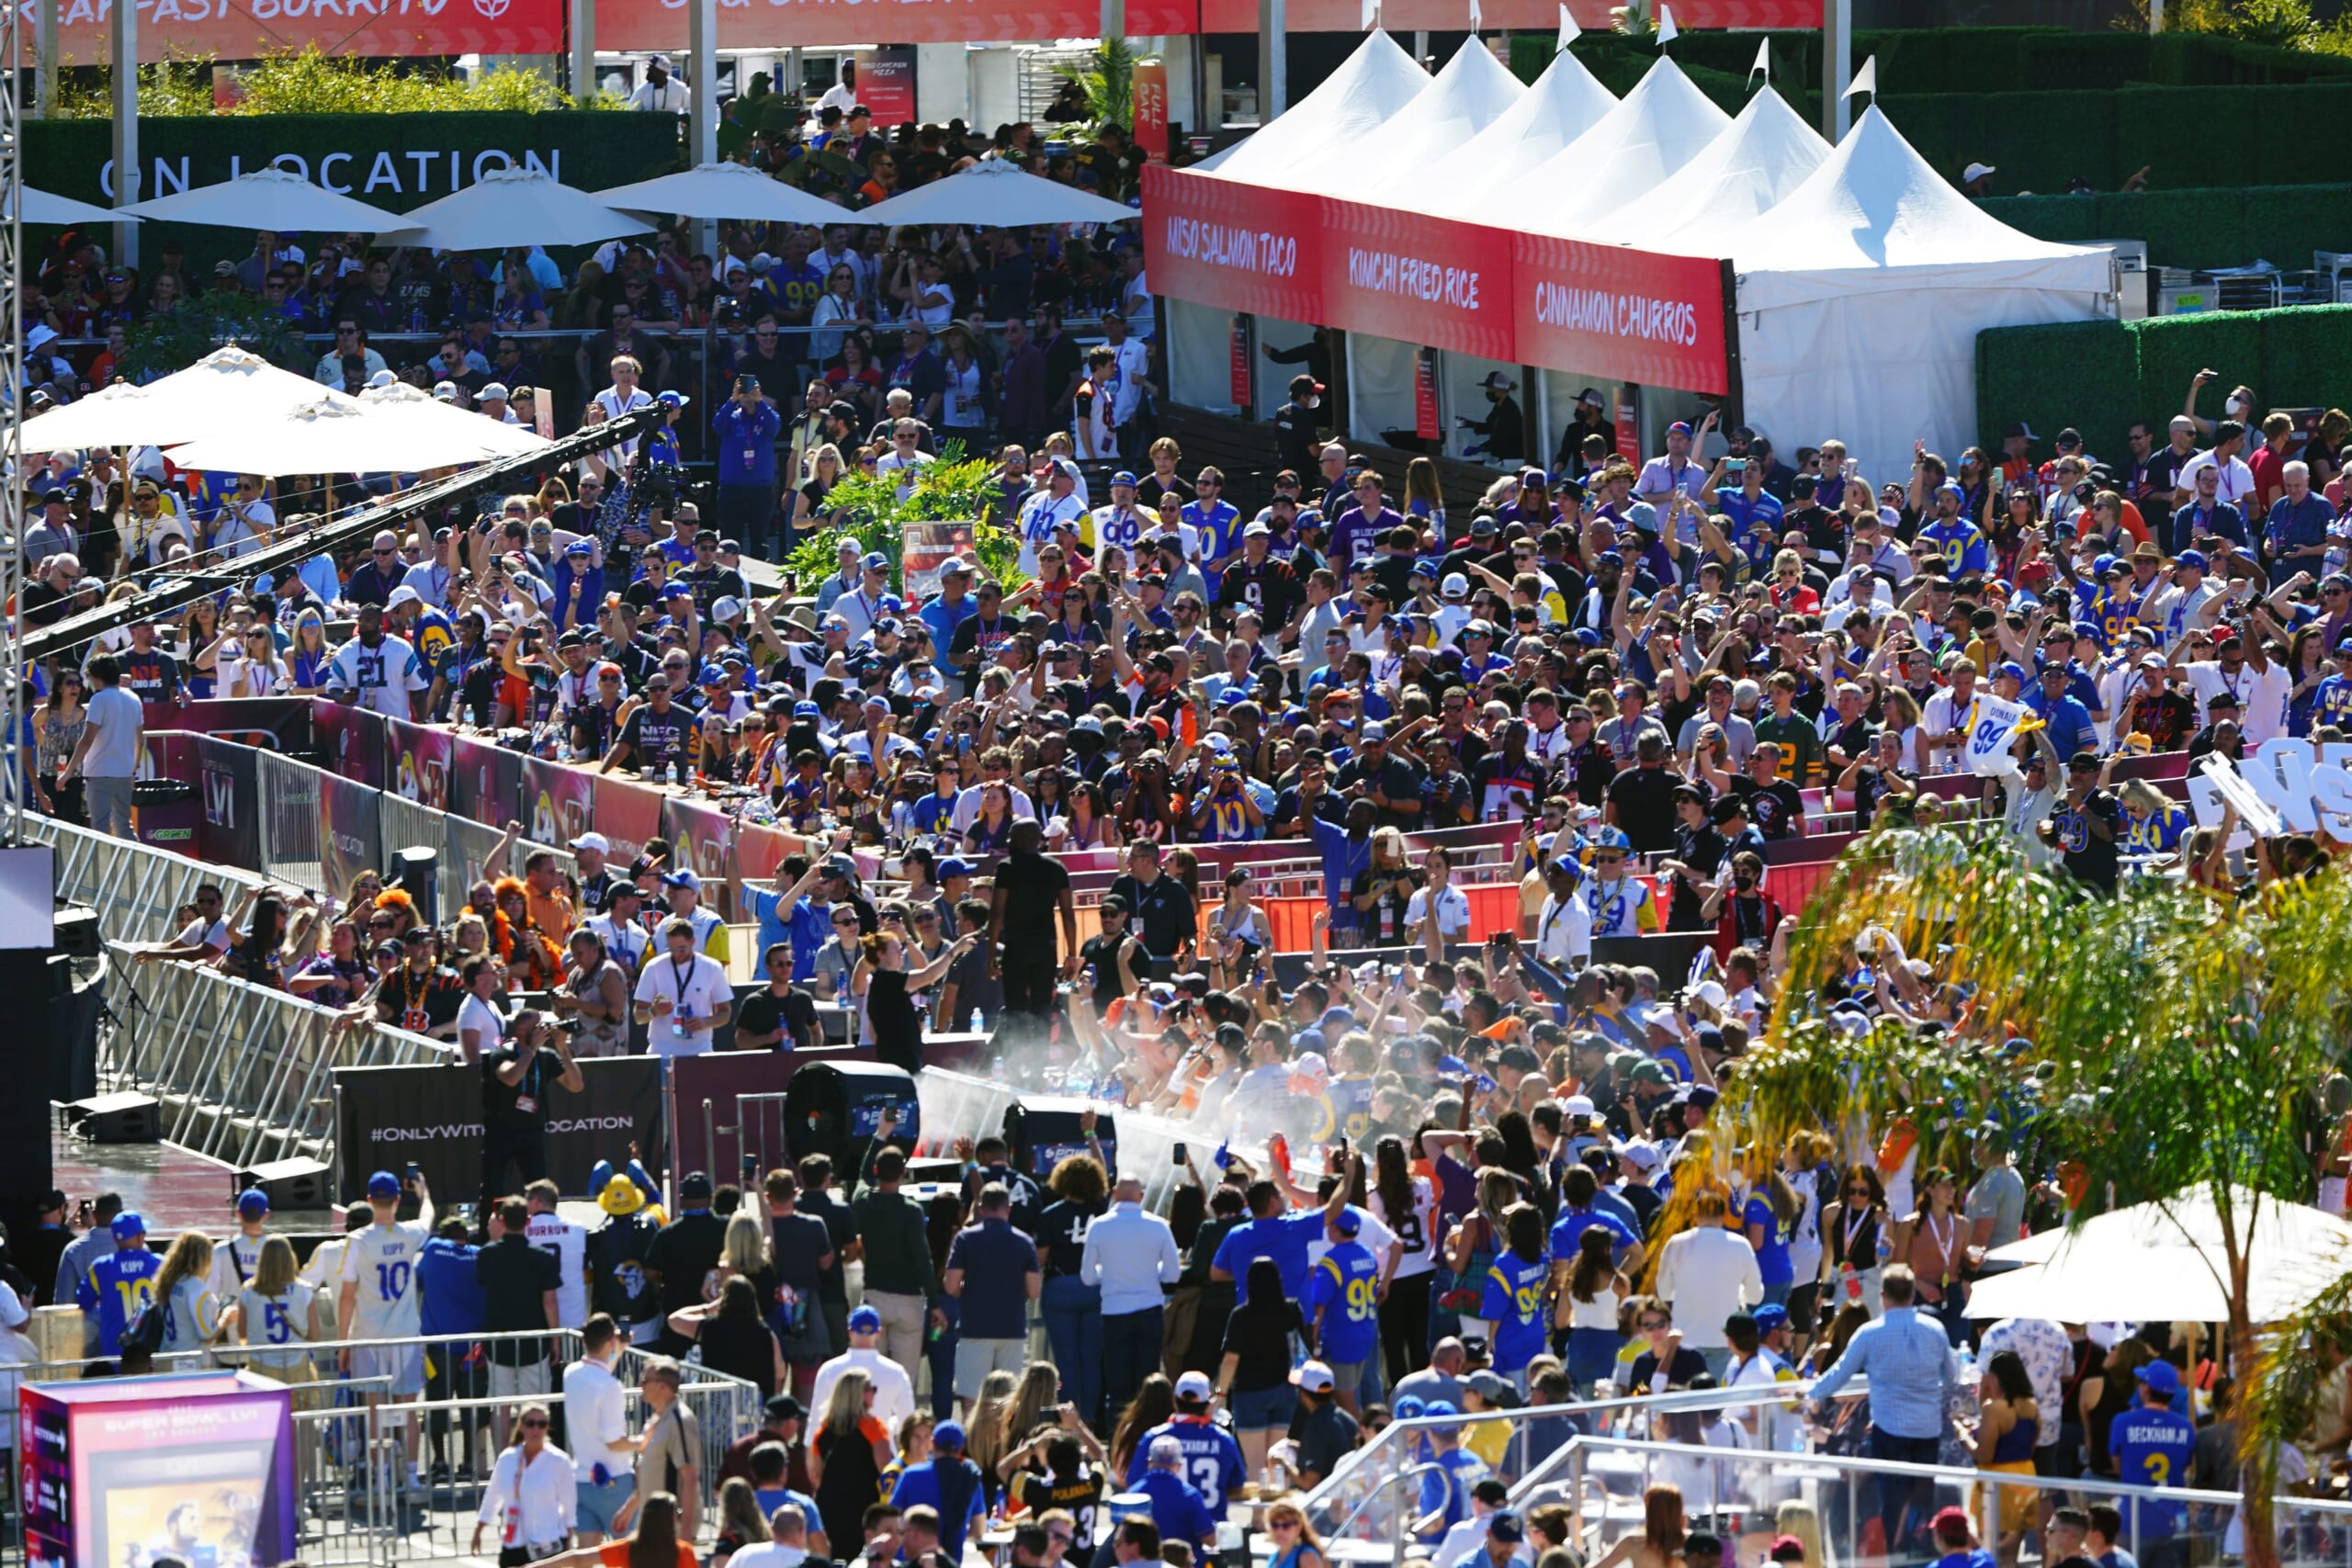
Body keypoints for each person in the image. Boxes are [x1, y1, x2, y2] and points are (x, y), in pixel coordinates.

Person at [1805, 1266, 1958, 1558]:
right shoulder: (1935, 1330)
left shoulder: (1870, 1333)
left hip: (1889, 1431)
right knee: (1923, 1499)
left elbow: (1839, 1374)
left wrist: (1809, 1392)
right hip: (1927, 1429)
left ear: (1882, 1296)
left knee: (1890, 1500)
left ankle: (1893, 1557)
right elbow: (1951, 1377)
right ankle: (1921, 1555)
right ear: (1913, 1295)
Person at [1080, 1169, 1182, 1429]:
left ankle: (1118, 1441)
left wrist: (1110, 1274)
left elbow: (1087, 1276)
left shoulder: (1100, 1226)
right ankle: (1149, 1433)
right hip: (1149, 1308)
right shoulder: (1158, 1226)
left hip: (1114, 1311)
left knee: (1118, 1385)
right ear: (1142, 1196)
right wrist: (1150, 1273)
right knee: (1148, 1381)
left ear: (1114, 1194)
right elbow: (1173, 1273)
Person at [944, 1183, 1040, 1399]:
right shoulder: (1024, 1242)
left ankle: (975, 1434)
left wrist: (965, 1291)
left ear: (980, 1208)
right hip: (1012, 1328)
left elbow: (951, 1286)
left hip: (974, 1327)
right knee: (1007, 1399)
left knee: (972, 1397)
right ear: (1009, 1208)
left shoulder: (965, 1239)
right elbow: (1034, 1291)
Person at [563, 1314, 640, 1548]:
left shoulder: (571, 1373)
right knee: (630, 1555)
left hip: (582, 1479)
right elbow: (614, 1442)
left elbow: (599, 1374)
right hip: (614, 1482)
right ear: (610, 1341)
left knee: (585, 1555)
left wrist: (618, 1350)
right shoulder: (610, 1387)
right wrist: (645, 1441)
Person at [472, 1403, 577, 1565]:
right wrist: (479, 1531)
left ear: (547, 1428)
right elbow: (493, 1496)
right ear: (521, 1426)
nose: (536, 1429)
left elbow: (569, 1504)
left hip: (549, 1542)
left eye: (541, 1424)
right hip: (515, 1541)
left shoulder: (559, 1461)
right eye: (530, 1424)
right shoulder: (507, 1458)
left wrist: (569, 1543)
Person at [62, 653, 141, 838]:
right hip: (123, 772)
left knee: (100, 828)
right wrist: (133, 771)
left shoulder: (99, 699)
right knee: (124, 826)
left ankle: (103, 867)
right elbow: (141, 739)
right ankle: (135, 865)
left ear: (96, 677)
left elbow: (87, 739)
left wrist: (67, 772)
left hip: (99, 772)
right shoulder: (133, 698)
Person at [888, 1419, 988, 1559]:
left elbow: (890, 1519)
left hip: (908, 1562)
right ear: (961, 1448)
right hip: (948, 1562)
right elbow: (979, 1531)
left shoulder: (911, 1475)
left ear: (933, 1443)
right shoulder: (971, 1480)